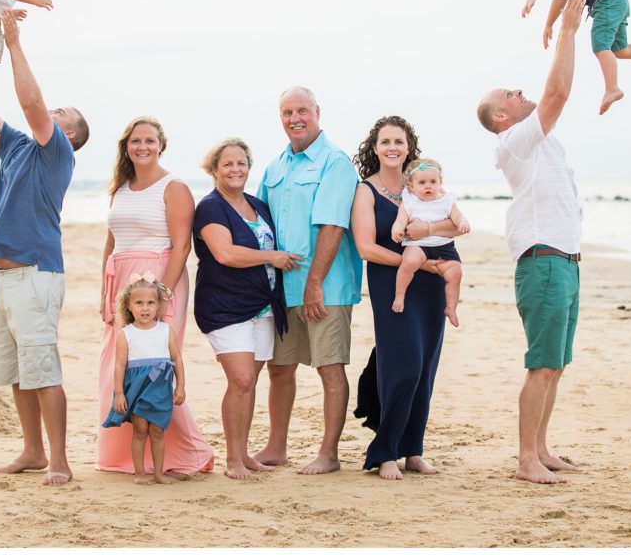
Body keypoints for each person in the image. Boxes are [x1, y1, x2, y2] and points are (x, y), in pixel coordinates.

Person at [0, 9, 90, 487]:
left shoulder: (55, 151)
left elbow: (32, 101)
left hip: (37, 273)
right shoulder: (15, 146)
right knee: (16, 369)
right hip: (3, 277)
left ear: (70, 135)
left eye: (63, 115)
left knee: (43, 369)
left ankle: (59, 459)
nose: (52, 113)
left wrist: (14, 42)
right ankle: (33, 451)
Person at [477, 0, 587, 484]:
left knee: (557, 364)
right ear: (501, 117)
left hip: (565, 260)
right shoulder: (513, 142)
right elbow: (558, 95)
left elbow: (553, 102)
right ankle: (525, 460)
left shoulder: (542, 141)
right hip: (542, 260)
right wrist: (566, 31)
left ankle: (541, 450)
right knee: (542, 364)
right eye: (512, 96)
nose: (522, 94)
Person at [253, 86, 362, 475]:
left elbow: (333, 224)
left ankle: (329, 454)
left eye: (302, 110)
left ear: (317, 112)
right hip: (283, 290)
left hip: (326, 289)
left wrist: (315, 282)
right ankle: (276, 448)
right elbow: (258, 223)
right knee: (279, 368)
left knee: (329, 368)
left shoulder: (335, 162)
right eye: (287, 112)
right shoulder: (275, 167)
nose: (294, 118)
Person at [97, 117, 214, 476]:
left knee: (157, 367)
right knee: (118, 365)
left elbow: (181, 246)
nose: (142, 146)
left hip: (161, 280)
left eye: (149, 140)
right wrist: (106, 292)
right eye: (136, 141)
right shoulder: (120, 187)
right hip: (123, 287)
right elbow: (112, 242)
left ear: (161, 145)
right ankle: (126, 457)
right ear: (126, 146)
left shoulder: (173, 187)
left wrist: (162, 294)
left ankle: (189, 453)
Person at [350, 116, 464, 480]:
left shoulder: (425, 184)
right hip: (392, 283)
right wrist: (419, 264)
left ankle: (413, 450)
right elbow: (366, 247)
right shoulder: (366, 191)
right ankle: (384, 453)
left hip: (431, 288)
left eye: (399, 141)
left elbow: (454, 223)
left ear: (408, 146)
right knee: (404, 367)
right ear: (375, 148)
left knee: (426, 367)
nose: (392, 147)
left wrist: (429, 233)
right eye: (385, 142)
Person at [192, 138, 303, 479]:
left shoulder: (257, 205)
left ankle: (243, 453)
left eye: (241, 163)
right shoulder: (210, 208)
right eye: (227, 164)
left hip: (262, 306)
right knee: (240, 379)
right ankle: (232, 460)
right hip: (225, 306)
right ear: (214, 170)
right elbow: (224, 253)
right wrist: (272, 257)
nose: (235, 169)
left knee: (249, 382)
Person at [102, 273, 187, 485]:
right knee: (140, 430)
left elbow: (176, 358)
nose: (145, 308)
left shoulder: (166, 331)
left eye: (150, 303)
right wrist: (119, 394)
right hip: (137, 387)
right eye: (139, 303)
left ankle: (158, 473)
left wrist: (181, 387)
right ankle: (140, 473)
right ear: (129, 306)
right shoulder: (126, 334)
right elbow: (120, 365)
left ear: (158, 306)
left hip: (160, 388)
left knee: (157, 430)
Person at [390, 158, 471, 325]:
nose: (428, 186)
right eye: (422, 182)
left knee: (455, 273)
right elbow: (400, 220)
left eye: (433, 181)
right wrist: (397, 229)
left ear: (440, 182)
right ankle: (400, 295)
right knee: (409, 262)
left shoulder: (446, 201)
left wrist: (462, 222)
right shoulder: (409, 202)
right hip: (417, 245)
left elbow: (457, 217)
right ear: (411, 186)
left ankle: (451, 308)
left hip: (444, 246)